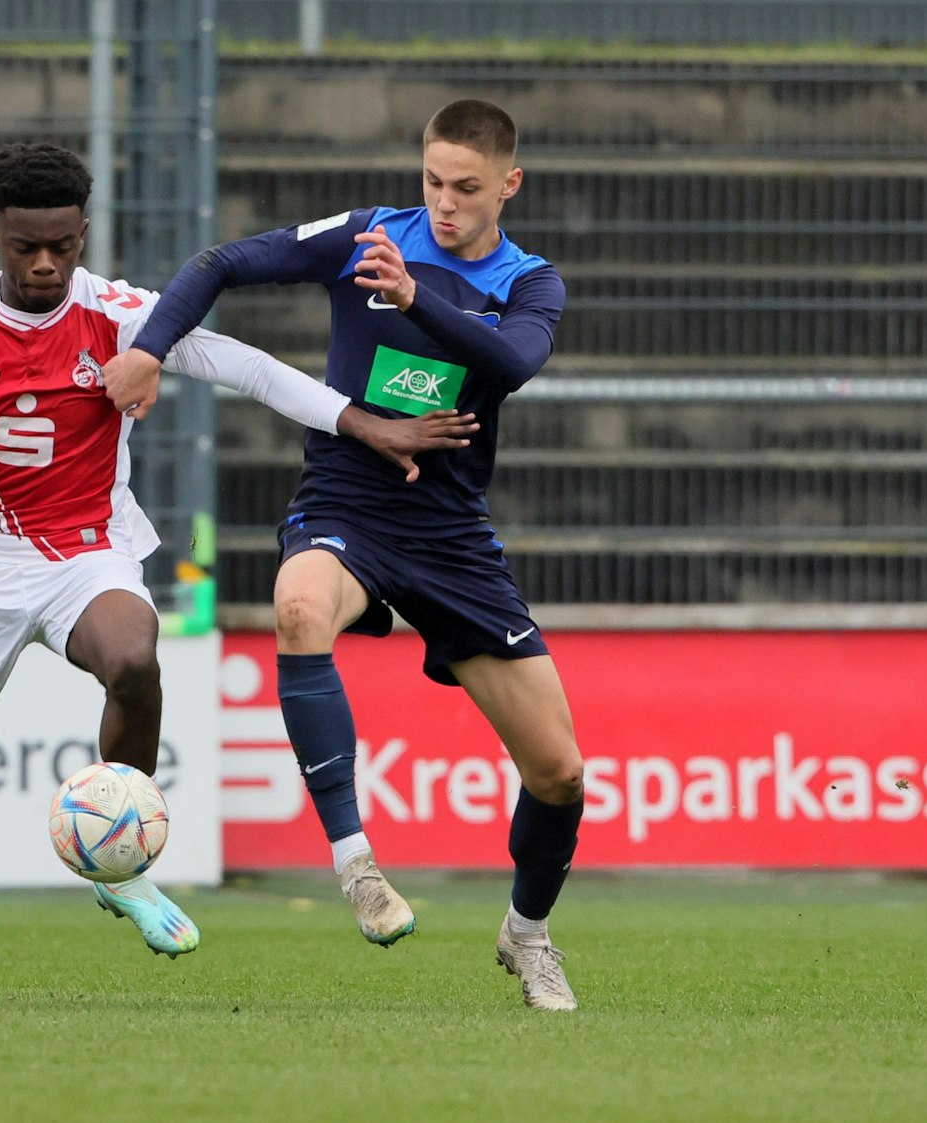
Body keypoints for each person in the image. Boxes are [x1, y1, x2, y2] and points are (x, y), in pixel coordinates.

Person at [0, 141, 478, 1006]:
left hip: (87, 554)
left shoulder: (121, 312)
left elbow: (247, 368)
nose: (45, 263)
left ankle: (121, 866)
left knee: (134, 656)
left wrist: (363, 423)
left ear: (83, 233)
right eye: (26, 245)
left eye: (62, 244)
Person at [99, 99, 583, 1011]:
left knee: (558, 772)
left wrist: (415, 297)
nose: (444, 203)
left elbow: (512, 362)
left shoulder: (530, 281)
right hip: (348, 503)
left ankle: (527, 934)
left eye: (467, 188)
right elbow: (222, 262)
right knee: (296, 607)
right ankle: (355, 862)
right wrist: (152, 349)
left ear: (508, 185)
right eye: (433, 181)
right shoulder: (368, 235)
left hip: (449, 535)